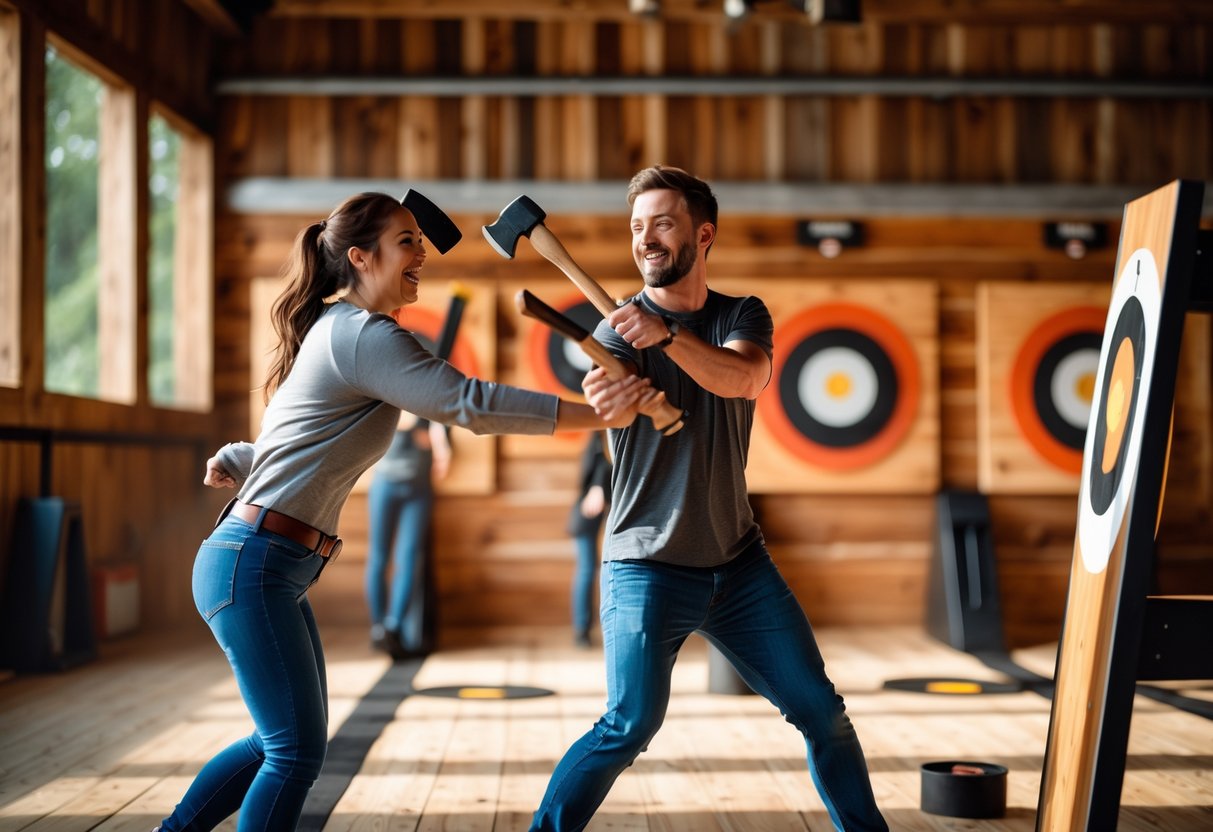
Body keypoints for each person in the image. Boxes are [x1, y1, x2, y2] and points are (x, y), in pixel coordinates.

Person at [156, 191, 663, 832]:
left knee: (276, 742)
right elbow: (467, 403)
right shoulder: (361, 334)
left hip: (266, 564)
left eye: (419, 240)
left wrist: (239, 455)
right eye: (406, 241)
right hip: (252, 565)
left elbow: (297, 436)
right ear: (361, 258)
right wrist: (602, 415)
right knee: (292, 751)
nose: (421, 252)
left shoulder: (341, 332)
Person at [529, 166, 889, 832]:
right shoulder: (613, 337)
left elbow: (744, 379)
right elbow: (602, 396)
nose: (647, 239)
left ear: (702, 233)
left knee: (822, 713)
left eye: (662, 223)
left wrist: (666, 337)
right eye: (637, 227)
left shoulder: (738, 314)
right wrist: (608, 396)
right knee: (628, 726)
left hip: (737, 563)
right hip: (646, 565)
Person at [365, 412, 450, 660]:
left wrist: (439, 442)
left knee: (410, 559)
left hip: (419, 489)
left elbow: (439, 440)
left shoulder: (430, 405)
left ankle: (393, 627)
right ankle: (378, 626)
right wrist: (417, 429)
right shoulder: (391, 393)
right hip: (385, 485)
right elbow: (401, 422)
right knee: (379, 558)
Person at [568, 431, 611, 648]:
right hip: (586, 514)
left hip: (595, 511)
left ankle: (586, 629)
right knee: (587, 569)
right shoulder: (598, 439)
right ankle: (582, 629)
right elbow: (601, 464)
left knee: (593, 569)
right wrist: (598, 487)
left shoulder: (598, 439)